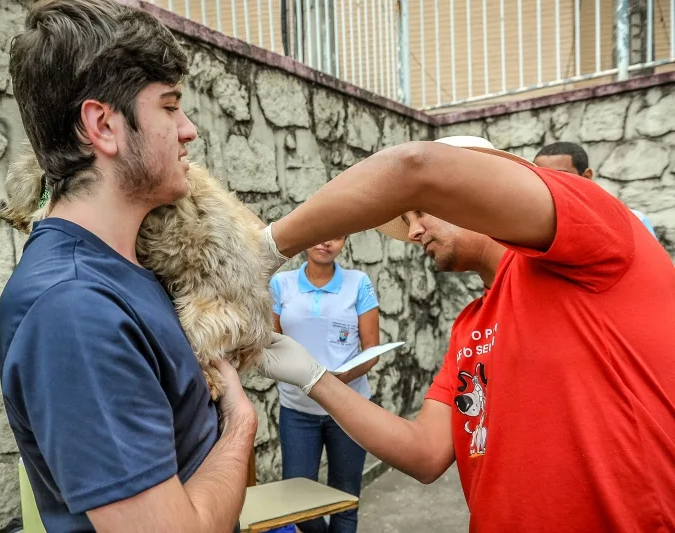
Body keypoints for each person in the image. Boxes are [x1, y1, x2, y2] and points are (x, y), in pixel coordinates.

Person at [258, 136, 675, 532]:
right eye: (407, 221)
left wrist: (266, 247)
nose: (415, 232)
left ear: (478, 193)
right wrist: (314, 377)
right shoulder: (471, 325)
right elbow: (425, 454)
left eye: (420, 212)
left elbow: (413, 166)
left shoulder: (592, 240)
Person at [0, 2, 292, 530]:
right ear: (103, 125)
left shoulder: (130, 268)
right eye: (170, 107)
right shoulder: (74, 310)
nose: (189, 130)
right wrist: (240, 424)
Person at [270, 236, 379, 533]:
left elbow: (371, 351)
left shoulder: (359, 283)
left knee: (346, 499)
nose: (326, 242)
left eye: (337, 235)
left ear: (345, 241)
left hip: (349, 408)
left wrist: (340, 379)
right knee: (299, 506)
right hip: (297, 409)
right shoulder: (281, 284)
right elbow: (271, 343)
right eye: (320, 233)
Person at [534, 141, 658, 239]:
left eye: (559, 176)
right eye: (538, 176)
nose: (547, 183)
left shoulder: (634, 221)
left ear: (586, 176)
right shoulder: (528, 226)